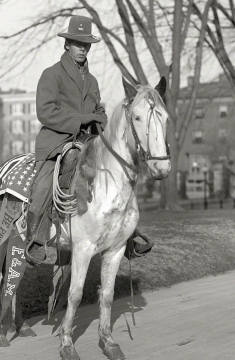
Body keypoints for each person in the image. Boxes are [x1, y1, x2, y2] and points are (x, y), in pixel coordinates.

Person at [25, 15, 153, 264]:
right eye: (77, 43)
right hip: (56, 141)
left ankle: (126, 235)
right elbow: (46, 111)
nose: (82, 48)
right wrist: (84, 119)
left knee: (118, 173)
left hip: (88, 140)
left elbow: (99, 111)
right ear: (67, 44)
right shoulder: (51, 75)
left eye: (86, 44)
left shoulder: (92, 80)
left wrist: (103, 121)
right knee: (43, 183)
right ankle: (36, 240)